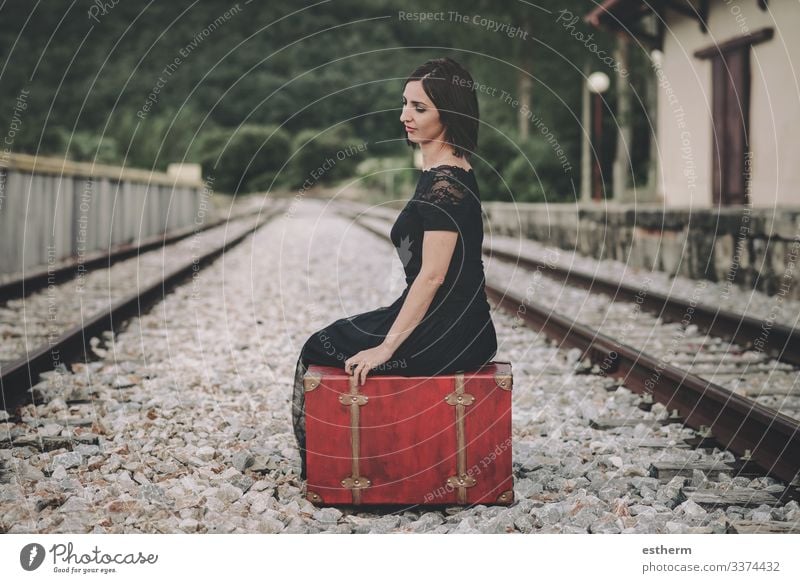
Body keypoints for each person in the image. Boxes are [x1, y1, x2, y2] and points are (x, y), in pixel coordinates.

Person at [291, 57, 498, 480]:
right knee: (327, 344)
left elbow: (434, 275)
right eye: (404, 103)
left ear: (450, 113)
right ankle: (337, 462)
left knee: (319, 347)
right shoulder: (439, 173)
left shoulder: (447, 184)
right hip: (447, 319)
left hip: (451, 329)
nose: (405, 116)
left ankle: (329, 469)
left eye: (420, 108)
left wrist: (388, 347)